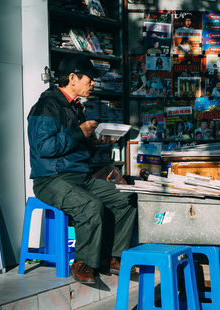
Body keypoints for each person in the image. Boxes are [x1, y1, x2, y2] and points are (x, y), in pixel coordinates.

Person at [27, 55, 137, 284]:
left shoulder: (75, 107)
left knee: (127, 199)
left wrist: (95, 141)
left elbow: (73, 145)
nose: (93, 83)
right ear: (72, 78)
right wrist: (80, 132)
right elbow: (43, 147)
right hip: (51, 179)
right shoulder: (47, 105)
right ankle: (82, 262)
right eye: (90, 78)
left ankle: (112, 258)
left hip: (78, 178)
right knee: (91, 206)